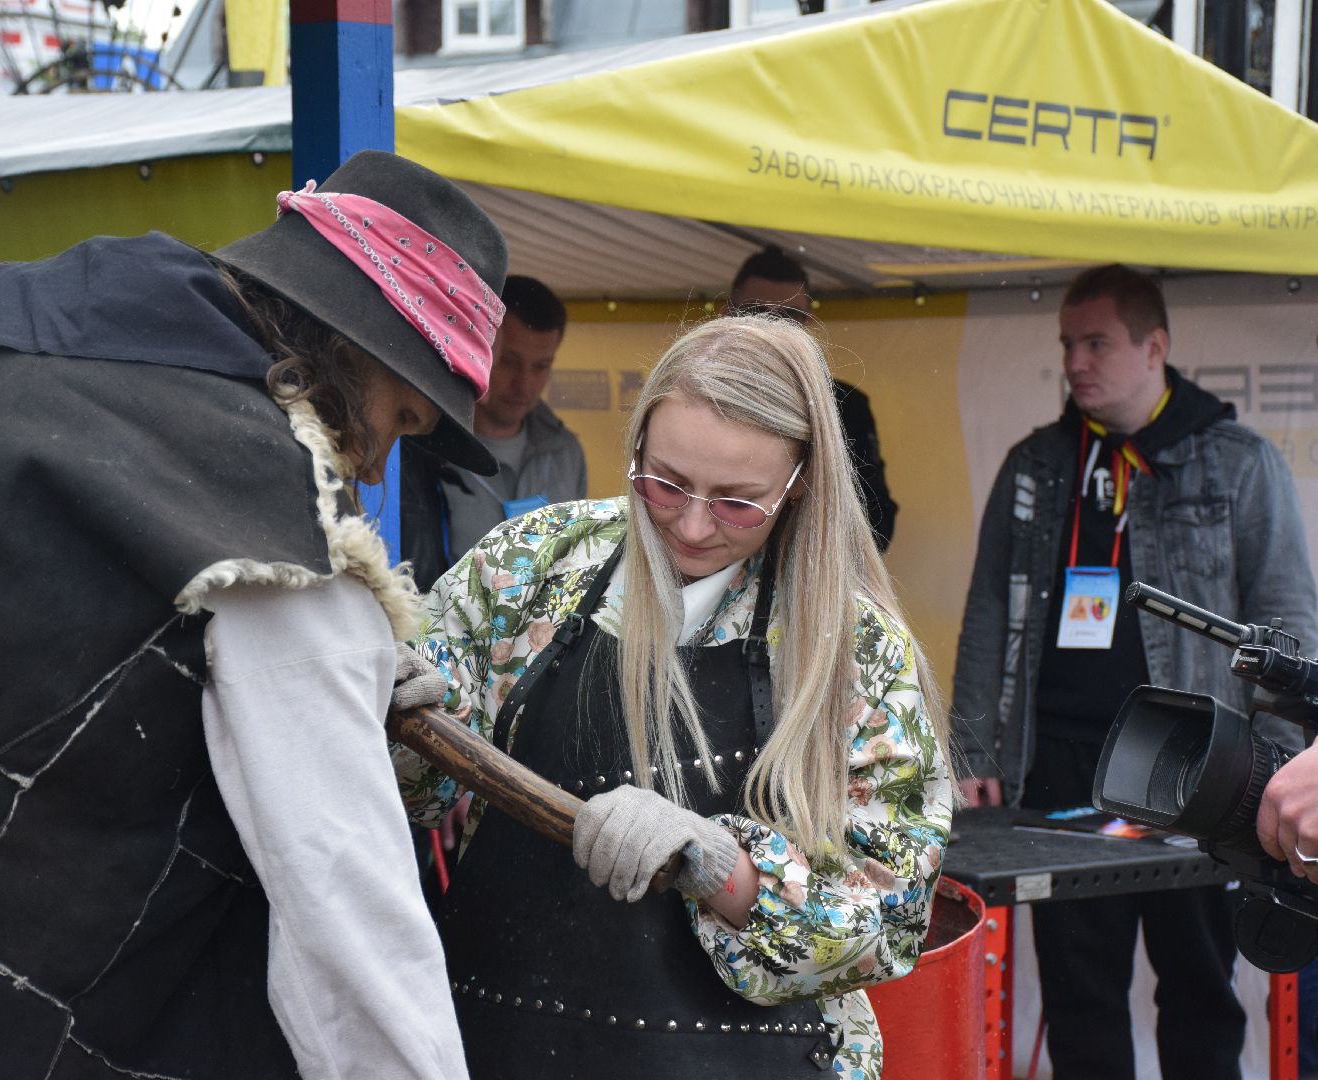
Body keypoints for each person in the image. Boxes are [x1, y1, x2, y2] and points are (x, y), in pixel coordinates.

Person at [0, 151, 507, 1079]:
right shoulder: (268, 522)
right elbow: (345, 913)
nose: (374, 468)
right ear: (351, 347)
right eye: (401, 420)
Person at [394, 313, 953, 1079]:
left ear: (801, 483)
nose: (690, 526)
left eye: (736, 502)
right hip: (505, 1035)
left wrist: (720, 867)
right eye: (664, 482)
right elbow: (412, 797)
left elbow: (887, 923)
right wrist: (393, 722)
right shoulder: (531, 570)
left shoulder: (855, 652)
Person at [952, 264, 1318, 1080]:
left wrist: (1274, 774)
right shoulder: (1034, 465)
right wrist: (974, 752)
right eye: (1067, 345)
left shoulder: (1239, 462)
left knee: (1199, 989)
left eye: (1097, 342)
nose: (1076, 361)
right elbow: (986, 618)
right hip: (1059, 768)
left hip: (1197, 770)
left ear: (1155, 347)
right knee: (1081, 995)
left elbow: (1290, 628)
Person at [402, 274, 587, 591]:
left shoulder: (566, 454)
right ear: (481, 350)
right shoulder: (422, 449)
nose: (524, 385)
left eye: (541, 366)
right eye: (509, 362)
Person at [727, 246, 897, 551]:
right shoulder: (693, 394)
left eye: (788, 315)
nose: (772, 326)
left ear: (808, 321)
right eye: (756, 312)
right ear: (726, 315)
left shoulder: (843, 404)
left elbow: (876, 523)